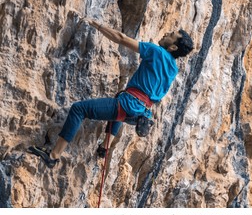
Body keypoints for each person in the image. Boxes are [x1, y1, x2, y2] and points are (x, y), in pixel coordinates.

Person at [28, 17, 194, 168]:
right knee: (119, 111)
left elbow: (122, 39)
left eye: (171, 34)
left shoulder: (157, 51)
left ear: (172, 47)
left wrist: (97, 25)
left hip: (130, 104)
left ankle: (53, 155)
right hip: (140, 111)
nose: (167, 33)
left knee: (79, 109)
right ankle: (104, 147)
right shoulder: (173, 69)